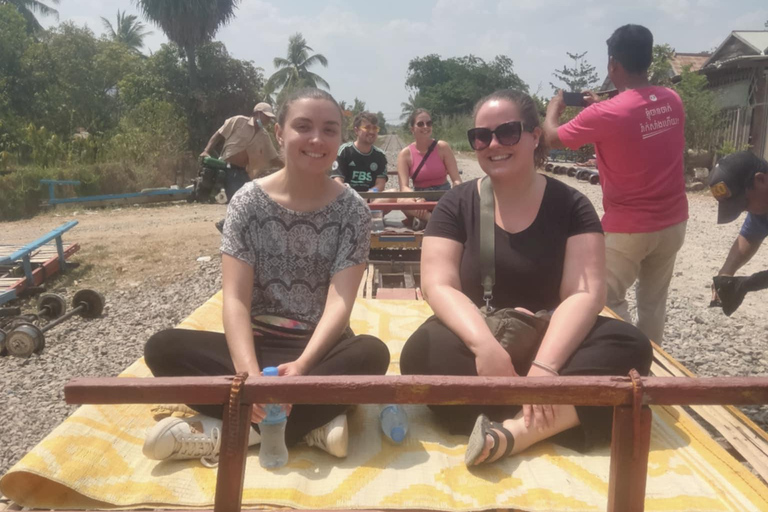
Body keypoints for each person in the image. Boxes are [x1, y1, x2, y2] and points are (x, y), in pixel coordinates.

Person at [400, 89, 651, 466]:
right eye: (481, 136)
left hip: (553, 343)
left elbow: (583, 294)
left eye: (508, 132)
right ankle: (558, 415)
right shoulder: (456, 203)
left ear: (535, 136)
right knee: (421, 353)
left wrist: (545, 369)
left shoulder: (572, 205)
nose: (494, 144)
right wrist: (486, 348)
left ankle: (515, 430)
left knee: (631, 345)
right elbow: (438, 284)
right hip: (480, 342)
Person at [142, 88, 390, 465]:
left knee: (372, 354)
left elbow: (340, 303)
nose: (316, 139)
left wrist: (302, 368)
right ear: (279, 133)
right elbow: (235, 300)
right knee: (163, 348)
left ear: (340, 138)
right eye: (303, 127)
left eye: (329, 130)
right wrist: (250, 378)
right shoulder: (247, 202)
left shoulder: (352, 211)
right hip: (256, 345)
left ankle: (240, 433)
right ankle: (311, 423)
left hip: (319, 351)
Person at [543, 24, 688, 345]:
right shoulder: (673, 100)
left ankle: (626, 355)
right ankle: (650, 358)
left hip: (628, 229)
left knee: (604, 298)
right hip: (674, 221)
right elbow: (637, 116)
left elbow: (552, 137)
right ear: (649, 59)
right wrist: (600, 106)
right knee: (653, 302)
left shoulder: (605, 114)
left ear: (612, 63)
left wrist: (553, 110)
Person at [709, 151, 768, 314]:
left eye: (745, 203)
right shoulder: (763, 205)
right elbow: (750, 235)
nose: (745, 210)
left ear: (761, 179)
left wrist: (748, 284)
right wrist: (725, 274)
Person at [396, 109, 462, 228]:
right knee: (401, 200)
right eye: (420, 124)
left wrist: (456, 194)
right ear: (412, 129)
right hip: (420, 197)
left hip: (443, 194)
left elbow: (456, 179)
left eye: (429, 123)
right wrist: (416, 198)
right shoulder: (405, 154)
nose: (425, 127)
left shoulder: (442, 147)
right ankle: (432, 220)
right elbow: (404, 187)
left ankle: (426, 220)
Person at [201, 102, 284, 181]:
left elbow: (273, 158)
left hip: (242, 172)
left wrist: (287, 166)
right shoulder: (238, 121)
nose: (268, 120)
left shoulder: (265, 136)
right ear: (258, 113)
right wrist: (206, 151)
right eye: (266, 116)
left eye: (269, 118)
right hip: (226, 166)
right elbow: (219, 134)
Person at [330, 111, 388, 193]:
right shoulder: (344, 151)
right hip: (347, 196)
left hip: (371, 197)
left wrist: (370, 194)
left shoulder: (380, 155)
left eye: (375, 128)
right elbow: (337, 181)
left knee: (393, 192)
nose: (371, 132)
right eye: (367, 128)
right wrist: (353, 197)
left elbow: (380, 185)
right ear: (356, 130)